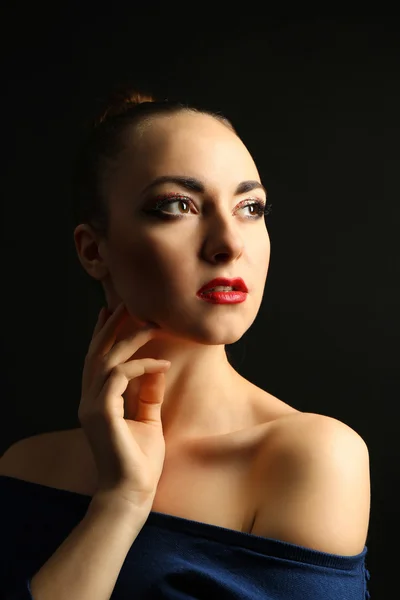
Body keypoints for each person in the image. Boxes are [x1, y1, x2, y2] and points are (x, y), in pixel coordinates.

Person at [0, 88, 371, 599]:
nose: (229, 243)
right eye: (178, 205)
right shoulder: (22, 469)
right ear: (93, 250)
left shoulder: (309, 458)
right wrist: (121, 501)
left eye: (250, 207)